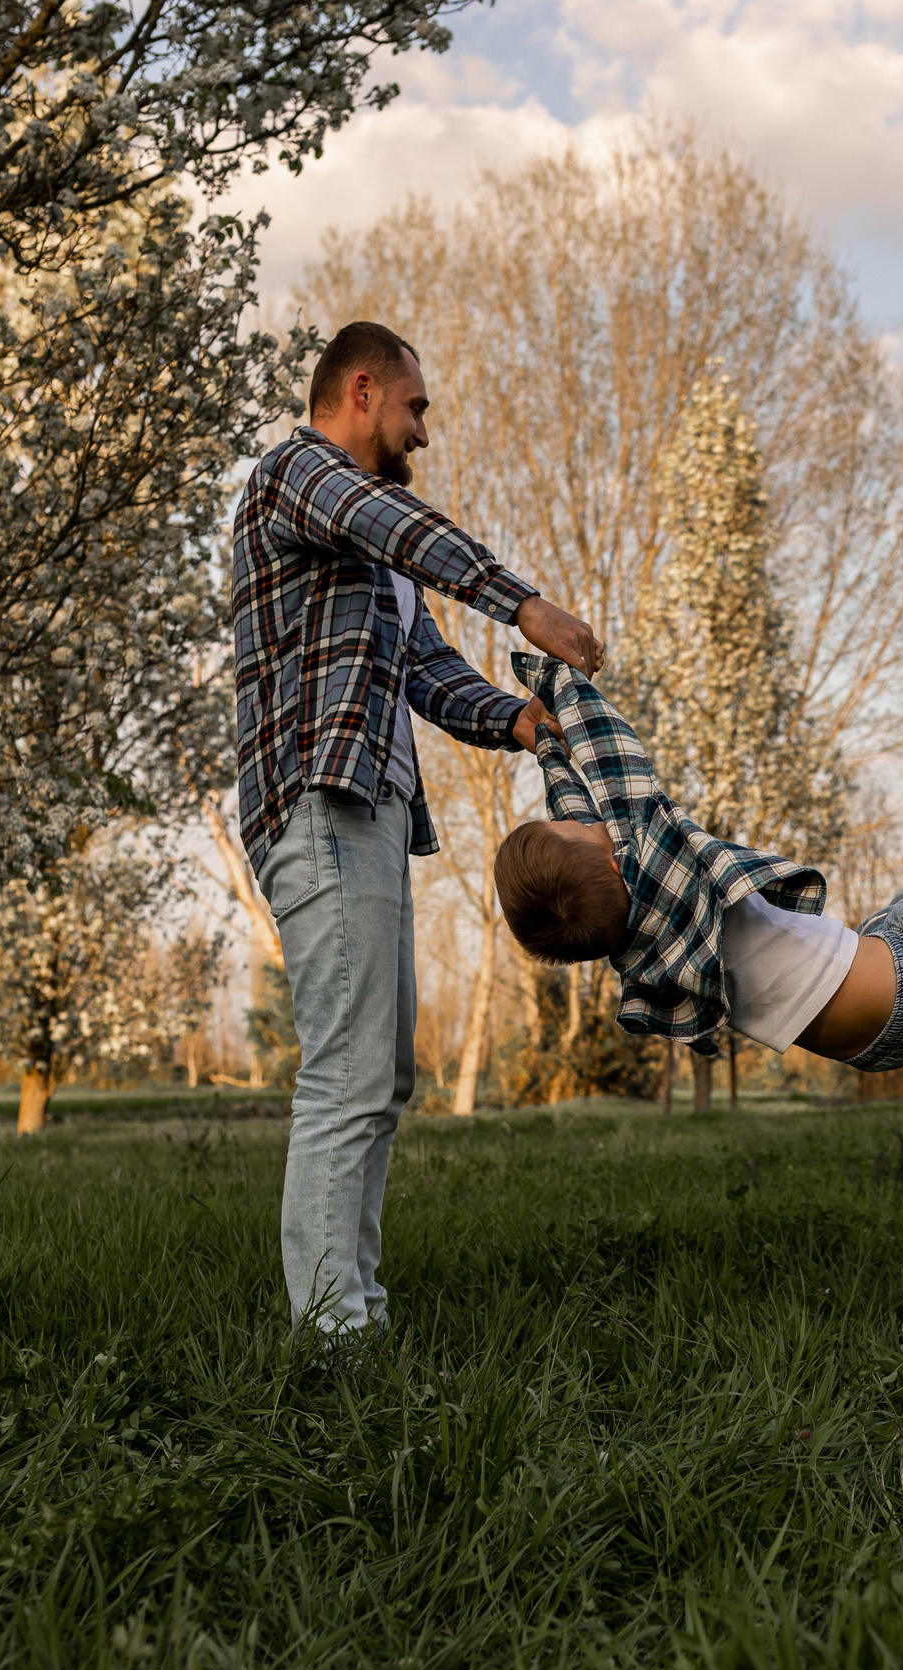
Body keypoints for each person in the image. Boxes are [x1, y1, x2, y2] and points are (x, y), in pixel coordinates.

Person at [229, 320, 602, 1342]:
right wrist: (523, 605)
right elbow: (399, 528)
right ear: (361, 390)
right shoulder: (296, 477)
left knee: (380, 1072)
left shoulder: (368, 543)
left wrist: (519, 722)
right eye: (416, 407)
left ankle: (356, 1308)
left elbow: (424, 669)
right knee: (348, 1067)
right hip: (316, 800)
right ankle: (329, 1332)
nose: (424, 432)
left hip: (370, 813)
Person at [492, 653, 903, 1087]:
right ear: (613, 859)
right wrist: (556, 678)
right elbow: (614, 762)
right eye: (580, 827)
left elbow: (575, 816)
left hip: (878, 1009)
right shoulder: (654, 861)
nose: (585, 817)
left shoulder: (636, 940)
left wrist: (546, 743)